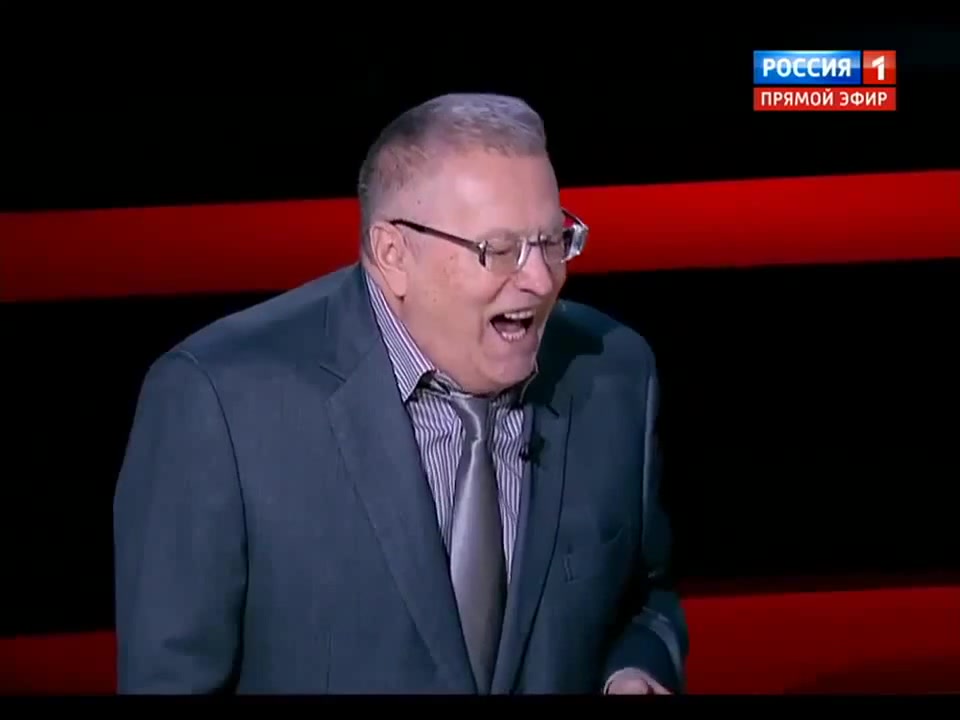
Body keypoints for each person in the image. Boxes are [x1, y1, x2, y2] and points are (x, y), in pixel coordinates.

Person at [113, 93, 689, 694]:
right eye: (499, 251)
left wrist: (635, 669)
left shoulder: (614, 374)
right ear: (393, 255)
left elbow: (644, 598)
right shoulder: (218, 403)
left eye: (551, 241)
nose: (541, 280)